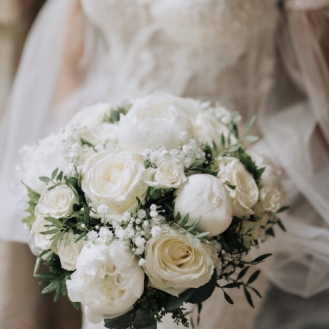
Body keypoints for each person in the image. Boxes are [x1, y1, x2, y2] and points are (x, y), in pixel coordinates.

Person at [0, 0, 328, 328]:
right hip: (106, 192)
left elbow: (319, 87)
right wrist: (83, 166)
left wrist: (253, 180)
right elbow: (71, 68)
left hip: (221, 199)